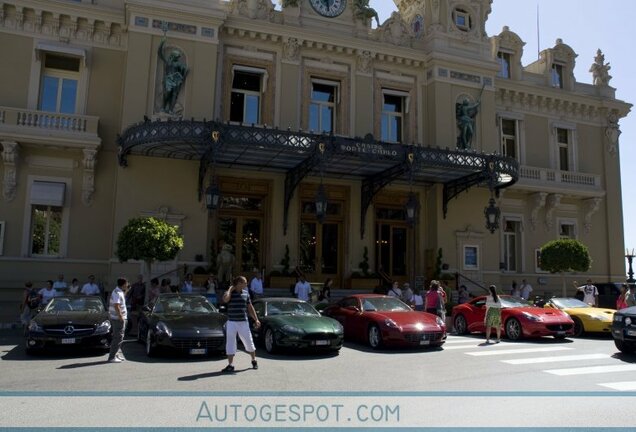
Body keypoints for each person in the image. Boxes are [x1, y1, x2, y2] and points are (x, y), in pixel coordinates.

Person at [221, 276, 260, 373]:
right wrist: (230, 289)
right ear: (239, 283)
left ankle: (254, 360)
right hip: (231, 322)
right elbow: (225, 300)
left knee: (249, 341)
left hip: (243, 322)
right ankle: (230, 365)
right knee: (230, 343)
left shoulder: (246, 293)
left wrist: (256, 319)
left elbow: (250, 307)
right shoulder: (230, 293)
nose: (246, 284)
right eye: (245, 282)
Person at [158, 36, 189, 113]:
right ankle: (164, 107)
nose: (178, 58)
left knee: (174, 95)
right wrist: (162, 43)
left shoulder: (178, 64)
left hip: (175, 80)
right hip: (168, 80)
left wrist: (184, 72)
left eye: (178, 57)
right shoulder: (168, 62)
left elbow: (183, 72)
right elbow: (160, 53)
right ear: (173, 56)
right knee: (167, 94)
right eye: (177, 56)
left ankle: (171, 109)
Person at [107, 277, 129, 363]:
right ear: (123, 284)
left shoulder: (119, 292)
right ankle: (111, 357)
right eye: (126, 284)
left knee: (120, 337)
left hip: (119, 318)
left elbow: (120, 301)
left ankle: (116, 354)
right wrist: (121, 317)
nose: (127, 285)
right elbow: (116, 305)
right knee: (117, 337)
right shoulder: (117, 292)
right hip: (118, 319)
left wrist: (126, 291)